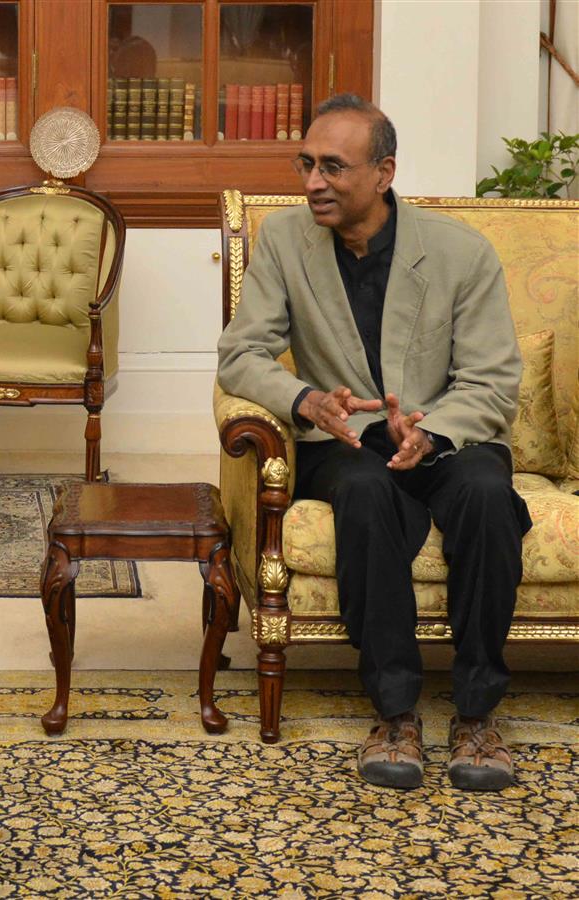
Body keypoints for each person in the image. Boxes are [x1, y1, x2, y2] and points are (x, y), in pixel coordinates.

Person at [217, 96, 530, 791]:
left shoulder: (459, 253)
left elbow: (492, 379)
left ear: (384, 172)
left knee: (486, 494)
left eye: (333, 166)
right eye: (306, 164)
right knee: (361, 490)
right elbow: (240, 356)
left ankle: (477, 715)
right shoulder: (283, 242)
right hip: (347, 441)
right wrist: (307, 401)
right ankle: (395, 714)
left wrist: (435, 430)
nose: (313, 183)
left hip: (449, 434)